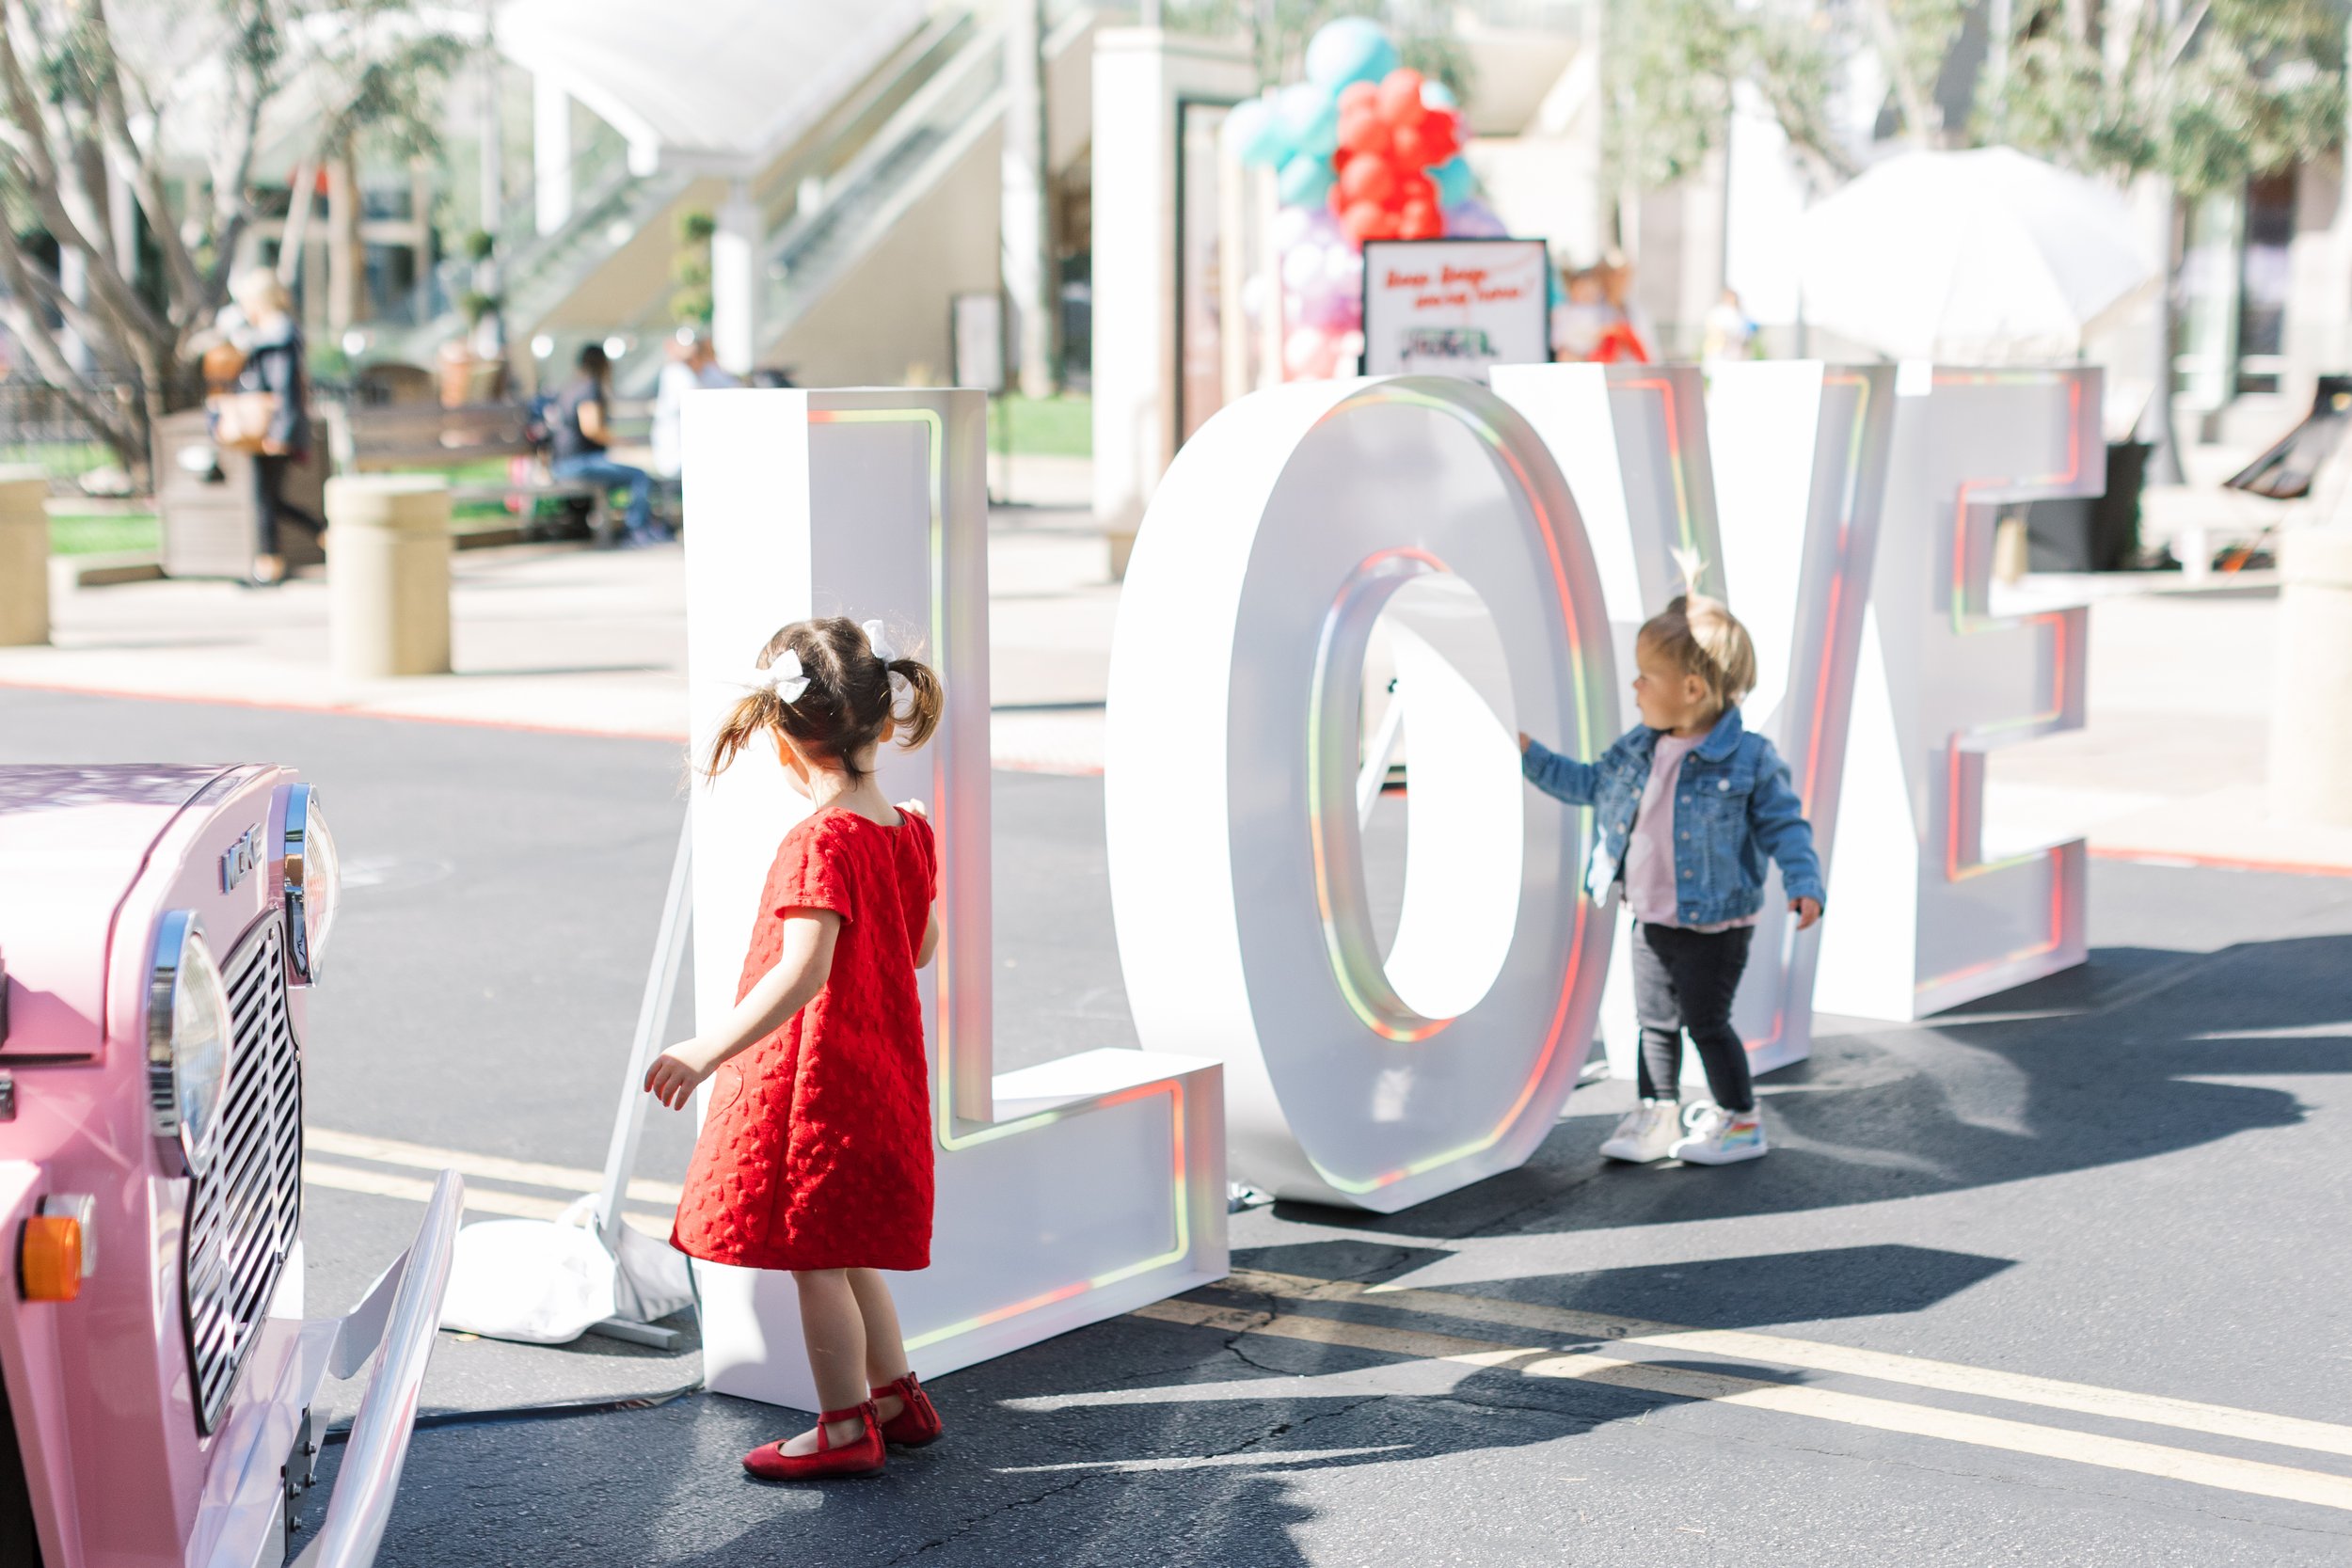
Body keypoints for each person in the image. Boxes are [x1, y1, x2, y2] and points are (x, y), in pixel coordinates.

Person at [645, 616, 948, 1481]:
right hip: (885, 1073)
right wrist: (921, 859)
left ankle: (846, 1427)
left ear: (781, 738)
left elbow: (803, 973)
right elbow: (921, 948)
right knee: (848, 1246)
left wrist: (705, 1048)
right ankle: (897, 1396)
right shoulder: (907, 830)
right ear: (881, 724)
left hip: (826, 1081)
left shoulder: (819, 842)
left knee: (815, 1255)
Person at [1518, 563, 1824, 1165]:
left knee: (1706, 1023)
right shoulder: (1638, 747)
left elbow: (1784, 825)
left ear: (1690, 689)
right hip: (1651, 915)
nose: (1634, 688)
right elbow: (1587, 785)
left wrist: (1804, 881)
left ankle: (1740, 1119)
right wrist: (1531, 756)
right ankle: (1657, 1111)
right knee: (1653, 1022)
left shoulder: (1749, 758)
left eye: (1645, 677)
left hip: (1715, 926)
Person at [228, 269, 323, 586]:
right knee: (269, 499)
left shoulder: (278, 336)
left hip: (272, 428)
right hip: (269, 428)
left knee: (266, 500)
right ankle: (274, 560)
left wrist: (279, 433)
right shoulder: (268, 334)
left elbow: (286, 389)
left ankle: (272, 565)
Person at [549, 342, 661, 544]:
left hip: (564, 463)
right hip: (578, 464)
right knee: (639, 476)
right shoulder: (589, 388)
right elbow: (591, 428)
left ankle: (635, 527)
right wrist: (621, 442)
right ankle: (636, 530)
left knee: (626, 475)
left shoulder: (571, 386)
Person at [651, 329, 739, 479]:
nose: (692, 351)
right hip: (677, 455)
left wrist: (712, 361)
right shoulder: (676, 372)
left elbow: (737, 391)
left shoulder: (705, 371)